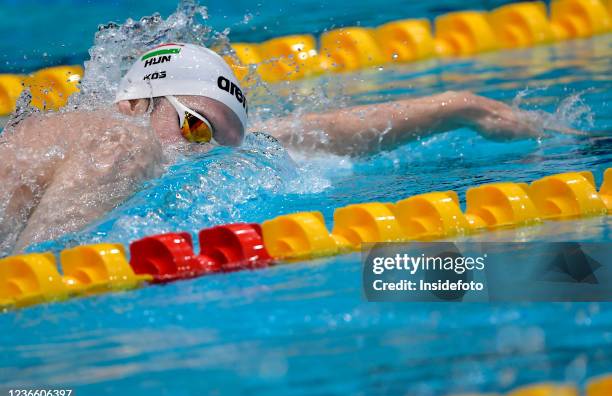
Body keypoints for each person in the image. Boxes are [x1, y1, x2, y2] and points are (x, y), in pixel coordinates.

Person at [0, 43, 575, 254]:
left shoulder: (152, 137)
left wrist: (463, 107)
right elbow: (35, 273)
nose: (201, 158)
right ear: (135, 104)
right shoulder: (118, 142)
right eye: (196, 129)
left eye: (222, 147)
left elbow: (323, 131)